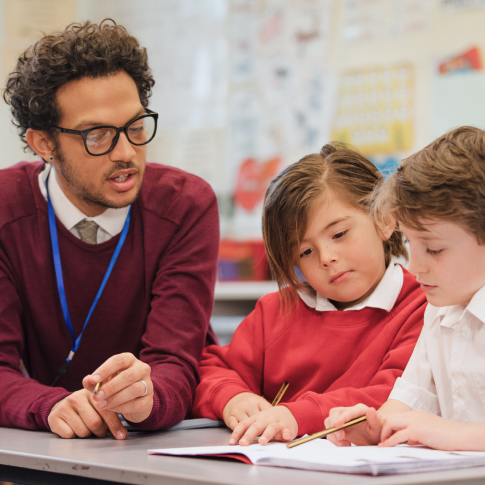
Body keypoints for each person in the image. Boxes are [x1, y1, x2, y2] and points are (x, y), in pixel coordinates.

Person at [0, 20, 219, 439]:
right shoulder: (6, 210)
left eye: (135, 127)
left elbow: (176, 363)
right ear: (44, 143)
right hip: (51, 445)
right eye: (97, 135)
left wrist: (147, 397)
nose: (126, 153)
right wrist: (49, 405)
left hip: (154, 446)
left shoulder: (185, 205)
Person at [191, 143, 426, 446]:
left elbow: (398, 394)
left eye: (339, 234)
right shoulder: (276, 310)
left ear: (384, 219)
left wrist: (297, 415)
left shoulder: (422, 306)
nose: (326, 257)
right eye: (305, 251)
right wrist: (233, 398)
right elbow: (213, 369)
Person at [325, 127, 485, 451]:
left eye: (435, 249)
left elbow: (443, 430)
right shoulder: (440, 309)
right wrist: (377, 427)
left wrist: (455, 435)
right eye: (411, 243)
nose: (415, 267)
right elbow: (412, 398)